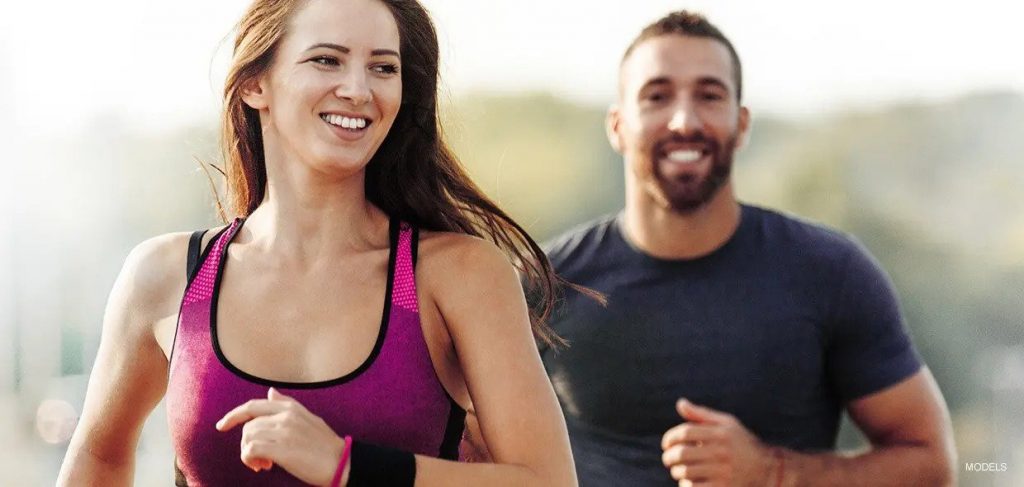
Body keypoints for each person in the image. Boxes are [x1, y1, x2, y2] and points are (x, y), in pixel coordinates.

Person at [56, 0, 577, 485]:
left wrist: (348, 465)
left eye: (383, 67)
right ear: (255, 84)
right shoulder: (169, 275)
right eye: (327, 60)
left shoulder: (458, 275)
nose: (358, 89)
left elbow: (547, 480)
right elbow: (99, 456)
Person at [540, 11, 957, 487]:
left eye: (709, 95)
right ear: (617, 125)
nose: (684, 119)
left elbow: (930, 463)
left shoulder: (830, 272)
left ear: (741, 124)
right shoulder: (544, 285)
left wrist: (773, 472)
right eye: (657, 96)